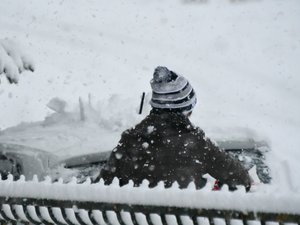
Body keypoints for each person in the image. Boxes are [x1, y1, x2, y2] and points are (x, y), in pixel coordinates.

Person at [99, 66, 251, 191]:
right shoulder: (197, 144)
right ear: (184, 110)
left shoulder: (130, 139)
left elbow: (103, 183)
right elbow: (242, 180)